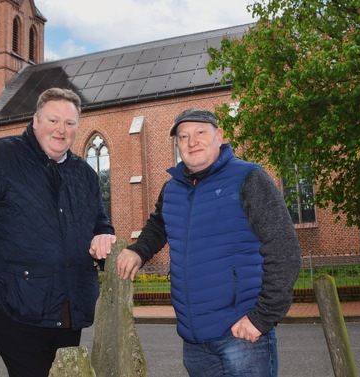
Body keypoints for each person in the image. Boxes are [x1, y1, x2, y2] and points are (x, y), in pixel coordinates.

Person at [116, 108, 301, 377]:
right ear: (177, 144)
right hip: (195, 343)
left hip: (242, 334)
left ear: (219, 136)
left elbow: (285, 250)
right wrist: (138, 251)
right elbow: (159, 224)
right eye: (183, 136)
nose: (192, 142)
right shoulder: (173, 189)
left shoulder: (249, 179)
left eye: (200, 132)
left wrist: (261, 318)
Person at [0, 87, 116, 377]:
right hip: (13, 311)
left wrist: (104, 235)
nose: (61, 130)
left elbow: (99, 222)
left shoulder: (84, 175)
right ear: (35, 121)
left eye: (70, 123)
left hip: (69, 314)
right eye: (53, 120)